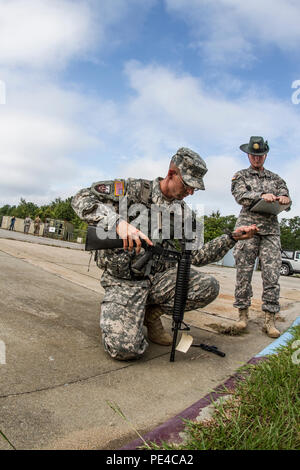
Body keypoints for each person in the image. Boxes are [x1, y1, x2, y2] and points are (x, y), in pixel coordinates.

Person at [72, 147, 258, 361]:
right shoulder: (132, 190)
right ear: (171, 174)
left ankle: (151, 314)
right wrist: (117, 223)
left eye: (195, 188)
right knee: (126, 350)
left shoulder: (185, 213)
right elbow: (81, 198)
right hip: (124, 281)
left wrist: (231, 238)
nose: (191, 192)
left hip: (158, 279)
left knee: (208, 286)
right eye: (188, 185)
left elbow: (196, 255)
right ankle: (125, 310)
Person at [231, 136, 291, 338]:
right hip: (248, 229)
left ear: (265, 155)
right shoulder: (240, 176)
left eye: (260, 155)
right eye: (253, 155)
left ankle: (270, 320)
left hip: (271, 231)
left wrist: (284, 199)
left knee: (272, 274)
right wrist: (261, 196)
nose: (257, 159)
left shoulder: (276, 178)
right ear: (248, 154)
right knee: (244, 273)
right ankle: (242, 316)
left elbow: (286, 198)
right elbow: (240, 195)